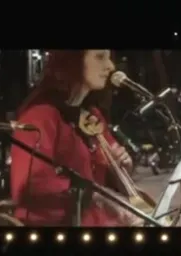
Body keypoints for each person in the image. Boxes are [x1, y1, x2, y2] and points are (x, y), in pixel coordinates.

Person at [8, 50, 140, 226]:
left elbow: (105, 178)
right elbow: (31, 186)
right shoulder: (39, 117)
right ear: (72, 60)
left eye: (109, 58)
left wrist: (121, 167)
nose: (111, 66)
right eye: (100, 57)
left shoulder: (92, 115)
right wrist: (97, 197)